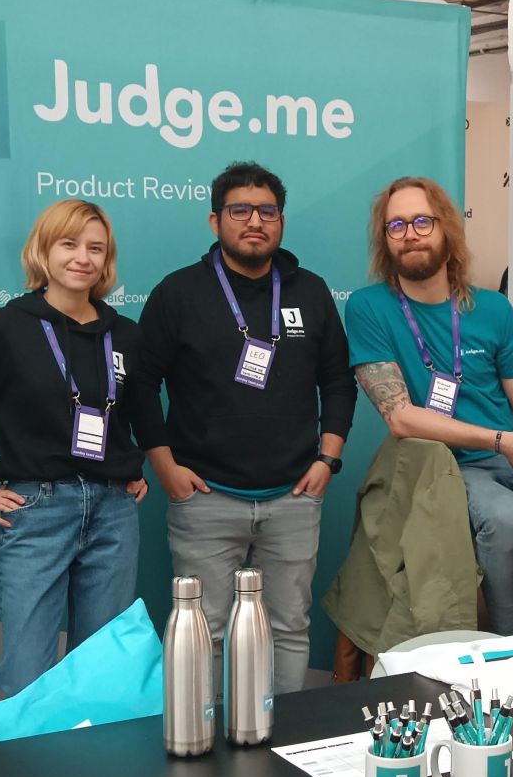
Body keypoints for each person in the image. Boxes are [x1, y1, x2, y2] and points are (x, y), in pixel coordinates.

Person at [132, 161, 355, 694]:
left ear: (281, 221)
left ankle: (286, 737)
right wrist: (164, 467)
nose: (255, 221)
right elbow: (140, 385)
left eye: (267, 211)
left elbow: (338, 383)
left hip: (293, 498)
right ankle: (203, 737)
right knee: (203, 631)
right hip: (205, 498)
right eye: (240, 210)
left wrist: (328, 459)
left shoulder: (311, 291)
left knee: (288, 628)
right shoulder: (179, 293)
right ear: (215, 221)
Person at [0, 200, 160, 696]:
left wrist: (130, 466)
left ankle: (94, 750)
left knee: (103, 669)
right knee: (29, 674)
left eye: (96, 248)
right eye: (69, 244)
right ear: (43, 250)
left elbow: (135, 413)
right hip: (38, 508)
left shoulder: (125, 335)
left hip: (113, 512)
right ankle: (28, 751)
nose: (83, 258)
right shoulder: (1, 329)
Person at [346, 177, 513, 635]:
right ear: (384, 238)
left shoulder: (493, 309)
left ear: (446, 228)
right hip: (449, 466)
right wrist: (501, 441)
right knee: (504, 518)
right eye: (396, 225)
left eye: (422, 221)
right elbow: (400, 417)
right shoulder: (368, 308)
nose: (410, 234)